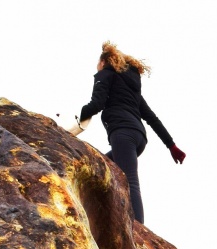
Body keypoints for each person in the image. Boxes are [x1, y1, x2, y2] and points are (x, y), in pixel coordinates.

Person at [78, 41, 186, 224]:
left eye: (98, 64)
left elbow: (97, 104)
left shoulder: (105, 74)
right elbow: (152, 118)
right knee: (101, 166)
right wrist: (172, 145)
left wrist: (74, 118)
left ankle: (138, 229)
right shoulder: (131, 89)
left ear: (104, 61)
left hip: (122, 134)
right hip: (138, 138)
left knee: (130, 182)